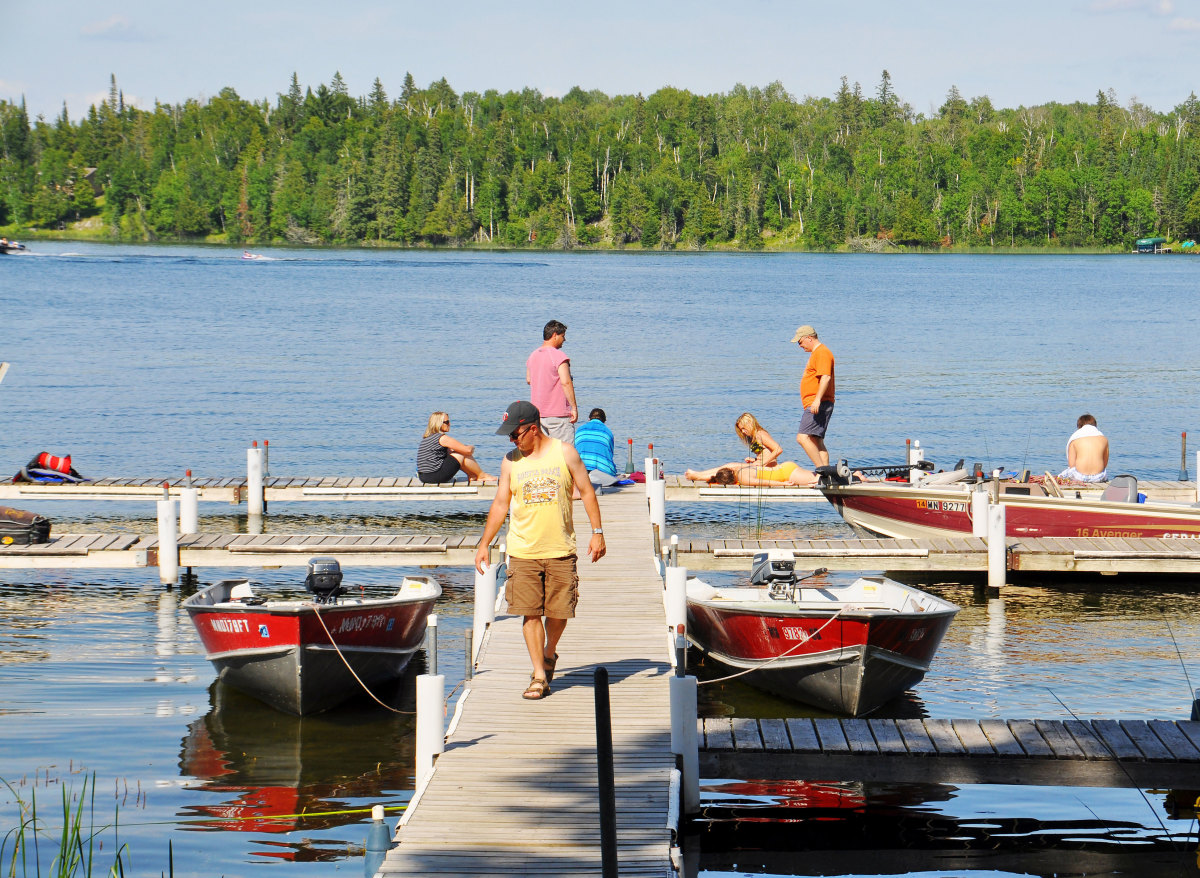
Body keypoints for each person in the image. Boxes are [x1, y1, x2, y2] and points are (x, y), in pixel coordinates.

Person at [474, 400, 605, 701]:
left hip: (560, 547)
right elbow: (500, 504)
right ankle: (539, 675)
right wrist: (485, 544)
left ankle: (549, 652)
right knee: (530, 614)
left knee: (560, 612)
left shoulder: (565, 453)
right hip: (522, 550)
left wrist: (598, 533)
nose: (512, 441)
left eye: (515, 435)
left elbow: (586, 491)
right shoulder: (511, 461)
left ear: (533, 429)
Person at [526, 319, 578, 443]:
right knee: (565, 455)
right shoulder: (559, 356)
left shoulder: (533, 355)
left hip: (538, 415)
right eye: (563, 336)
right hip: (559, 415)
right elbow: (566, 382)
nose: (564, 340)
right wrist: (574, 408)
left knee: (545, 455)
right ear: (555, 335)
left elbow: (529, 380)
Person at [791, 324, 835, 468]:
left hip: (818, 403)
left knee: (802, 438)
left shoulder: (822, 352)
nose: (799, 345)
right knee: (816, 440)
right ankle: (826, 475)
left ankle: (822, 470)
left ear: (809, 338)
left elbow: (826, 377)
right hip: (819, 402)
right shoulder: (817, 353)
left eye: (800, 342)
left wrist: (816, 399)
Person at [416, 411, 496, 483]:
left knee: (457, 453)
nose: (449, 424)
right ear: (439, 424)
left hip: (424, 477)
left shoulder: (428, 438)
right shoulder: (442, 438)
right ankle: (482, 475)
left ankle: (472, 475)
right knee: (460, 453)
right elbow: (467, 451)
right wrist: (471, 447)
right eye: (447, 422)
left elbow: (449, 453)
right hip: (434, 476)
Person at [1060, 413, 1109, 482]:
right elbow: (1105, 463)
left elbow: (1072, 466)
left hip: (1079, 477)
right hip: (1099, 477)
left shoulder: (1075, 440)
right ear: (1095, 426)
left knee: (1062, 475)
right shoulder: (1104, 439)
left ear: (1079, 427)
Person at [574, 408, 618, 479]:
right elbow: (610, 454)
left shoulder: (580, 430)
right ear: (604, 421)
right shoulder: (607, 432)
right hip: (602, 471)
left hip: (580, 470)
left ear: (589, 419)